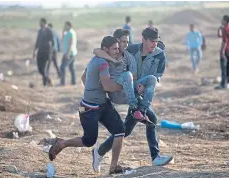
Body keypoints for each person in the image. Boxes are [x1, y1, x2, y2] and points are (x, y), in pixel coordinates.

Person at [92, 27, 173, 172]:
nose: (154, 44)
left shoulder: (160, 56)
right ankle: (155, 156)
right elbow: (101, 51)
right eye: (152, 41)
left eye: (156, 41)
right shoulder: (132, 49)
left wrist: (144, 86)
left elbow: (156, 77)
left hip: (140, 94)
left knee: (128, 129)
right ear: (143, 39)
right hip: (129, 91)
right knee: (148, 121)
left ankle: (100, 151)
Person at [47, 36, 128, 174]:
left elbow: (83, 77)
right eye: (114, 48)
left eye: (117, 48)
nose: (117, 51)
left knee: (120, 131)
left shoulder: (95, 60)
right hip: (88, 109)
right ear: (105, 49)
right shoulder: (102, 63)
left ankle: (113, 167)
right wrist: (125, 86)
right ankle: (62, 143)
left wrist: (94, 91)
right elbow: (108, 86)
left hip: (103, 104)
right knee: (89, 140)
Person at [93, 29, 157, 123]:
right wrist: (113, 60)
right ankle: (134, 109)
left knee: (152, 79)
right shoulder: (107, 53)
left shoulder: (128, 57)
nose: (126, 45)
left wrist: (140, 86)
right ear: (117, 40)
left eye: (127, 42)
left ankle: (142, 110)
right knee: (127, 75)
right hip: (115, 93)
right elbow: (96, 51)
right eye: (123, 42)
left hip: (127, 89)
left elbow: (134, 77)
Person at [215, 15, 229, 89]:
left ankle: (223, 84)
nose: (221, 21)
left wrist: (222, 52)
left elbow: (224, 41)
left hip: (226, 51)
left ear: (226, 21)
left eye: (222, 20)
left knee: (223, 68)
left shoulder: (225, 29)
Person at [33, 18, 54, 86]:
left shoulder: (49, 31)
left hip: (46, 53)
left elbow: (53, 42)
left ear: (44, 23)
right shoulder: (39, 31)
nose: (40, 23)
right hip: (40, 52)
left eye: (41, 22)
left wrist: (51, 52)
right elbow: (37, 41)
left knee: (44, 69)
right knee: (40, 69)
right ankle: (49, 80)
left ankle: (44, 84)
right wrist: (34, 51)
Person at [59, 21, 77, 86]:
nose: (64, 27)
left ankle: (62, 82)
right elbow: (63, 40)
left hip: (69, 53)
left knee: (62, 67)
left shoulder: (70, 33)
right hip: (70, 53)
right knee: (71, 67)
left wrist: (67, 53)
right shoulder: (69, 32)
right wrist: (63, 32)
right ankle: (73, 81)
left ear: (69, 25)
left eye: (66, 25)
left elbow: (70, 43)